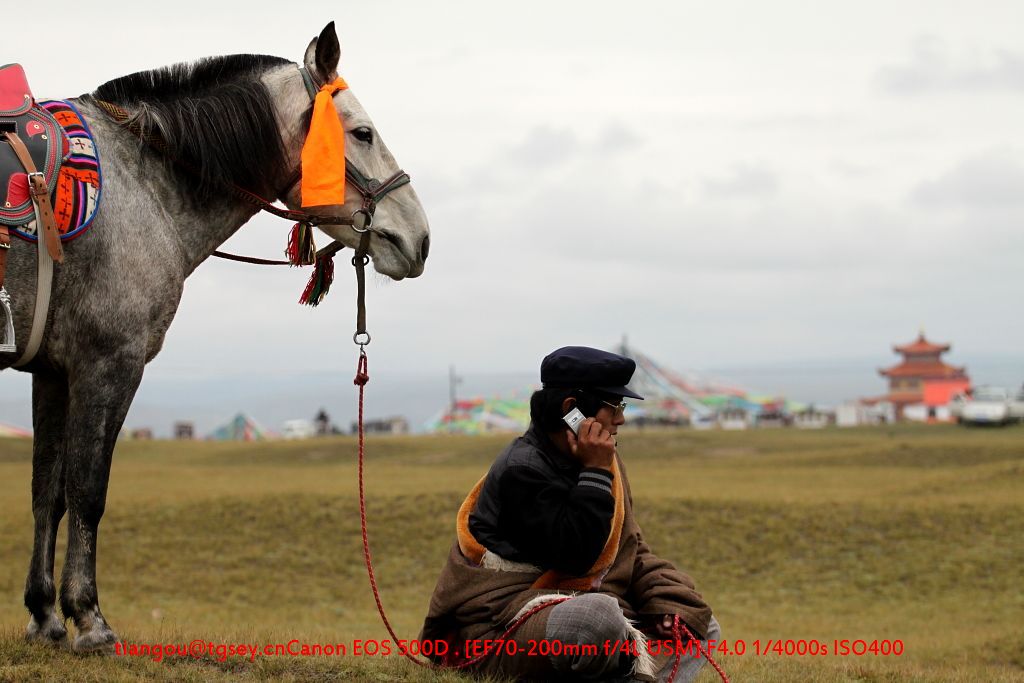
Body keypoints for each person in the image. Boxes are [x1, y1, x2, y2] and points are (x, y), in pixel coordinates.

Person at [420, 346, 721, 681]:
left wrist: (669, 603)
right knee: (596, 621)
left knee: (699, 622)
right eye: (614, 406)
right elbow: (578, 556)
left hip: (576, 610)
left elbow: (630, 552)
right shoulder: (522, 471)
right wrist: (594, 472)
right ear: (571, 410)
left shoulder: (602, 459)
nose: (620, 419)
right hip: (500, 626)